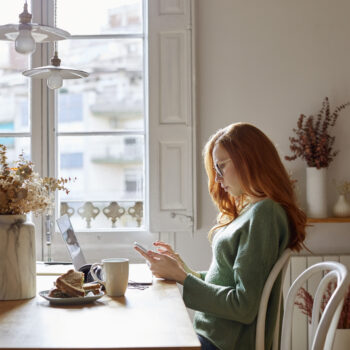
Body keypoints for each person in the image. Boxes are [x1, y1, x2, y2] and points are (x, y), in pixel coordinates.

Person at [134, 123, 307, 350]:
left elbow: (243, 306)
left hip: (224, 344)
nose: (217, 178)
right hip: (212, 338)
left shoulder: (265, 214)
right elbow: (227, 282)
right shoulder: (252, 210)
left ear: (248, 159)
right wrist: (183, 270)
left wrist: (183, 279)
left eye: (221, 166)